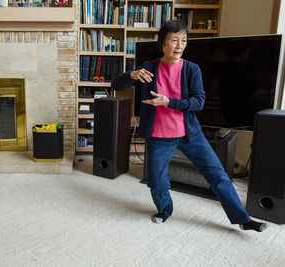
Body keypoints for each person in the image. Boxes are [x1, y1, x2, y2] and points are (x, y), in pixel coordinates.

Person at [111, 20, 267, 232]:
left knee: (218, 175)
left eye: (183, 40)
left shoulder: (192, 69)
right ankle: (165, 210)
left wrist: (169, 102)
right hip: (159, 136)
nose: (179, 45)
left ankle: (243, 219)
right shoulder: (148, 68)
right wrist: (131, 75)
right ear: (162, 43)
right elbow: (115, 85)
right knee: (156, 181)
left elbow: (198, 102)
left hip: (189, 134)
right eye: (174, 40)